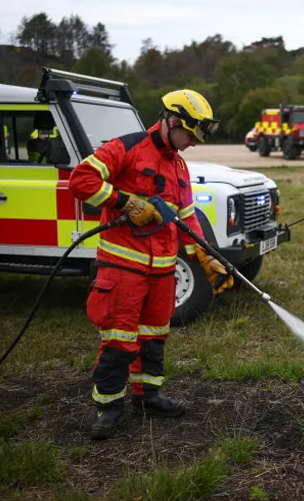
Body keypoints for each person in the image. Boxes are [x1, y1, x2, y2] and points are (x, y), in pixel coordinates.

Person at [68, 89, 234, 440]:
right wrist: (126, 202)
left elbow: (186, 215)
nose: (191, 144)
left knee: (154, 337)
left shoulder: (178, 163)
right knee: (118, 340)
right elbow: (81, 180)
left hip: (162, 270)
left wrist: (206, 255)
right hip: (123, 267)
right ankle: (109, 407)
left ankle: (148, 396)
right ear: (172, 121)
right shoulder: (125, 148)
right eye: (189, 134)